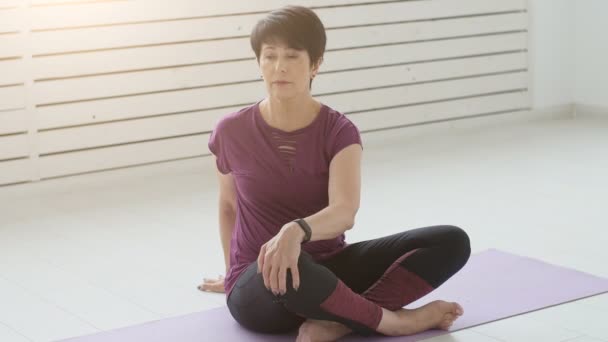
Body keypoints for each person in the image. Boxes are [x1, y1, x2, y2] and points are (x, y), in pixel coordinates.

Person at [198, 5, 471, 341]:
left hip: (327, 272)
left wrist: (295, 231)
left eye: (293, 55)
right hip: (262, 286)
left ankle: (338, 321)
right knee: (287, 264)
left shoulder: (339, 132)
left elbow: (344, 211)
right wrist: (232, 275)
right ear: (259, 63)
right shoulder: (231, 131)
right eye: (269, 56)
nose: (279, 66)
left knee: (451, 241)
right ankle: (395, 323)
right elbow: (228, 207)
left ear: (315, 64)